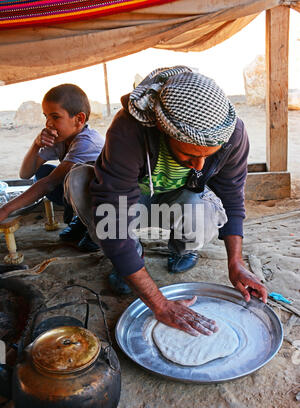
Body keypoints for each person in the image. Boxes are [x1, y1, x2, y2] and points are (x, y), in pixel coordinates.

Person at [64, 66, 268, 337]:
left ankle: (183, 248)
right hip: (132, 202)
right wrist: (159, 304)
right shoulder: (128, 130)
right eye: (189, 155)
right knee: (79, 184)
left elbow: (232, 195)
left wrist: (236, 262)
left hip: (177, 200)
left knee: (203, 211)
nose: (199, 165)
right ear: (162, 128)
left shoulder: (232, 134)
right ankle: (130, 257)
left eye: (208, 156)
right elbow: (113, 217)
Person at [0, 83, 105, 252]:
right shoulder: (61, 138)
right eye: (46, 116)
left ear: (79, 119)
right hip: (83, 195)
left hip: (108, 202)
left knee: (72, 178)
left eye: (55, 117)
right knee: (43, 172)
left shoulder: (87, 142)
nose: (48, 123)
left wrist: (5, 210)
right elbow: (26, 173)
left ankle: (96, 226)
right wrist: (36, 145)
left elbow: (49, 184)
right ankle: (82, 220)